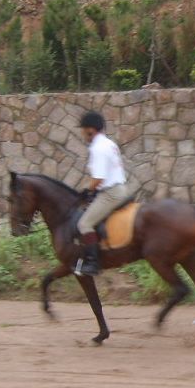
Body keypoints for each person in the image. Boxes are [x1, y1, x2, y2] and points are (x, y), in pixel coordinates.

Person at [75, 111, 128, 276]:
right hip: (118, 188)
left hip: (110, 193)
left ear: (90, 130)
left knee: (84, 224)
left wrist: (87, 191)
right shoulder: (109, 143)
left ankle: (93, 263)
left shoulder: (97, 148)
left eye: (83, 130)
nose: (83, 134)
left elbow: (98, 178)